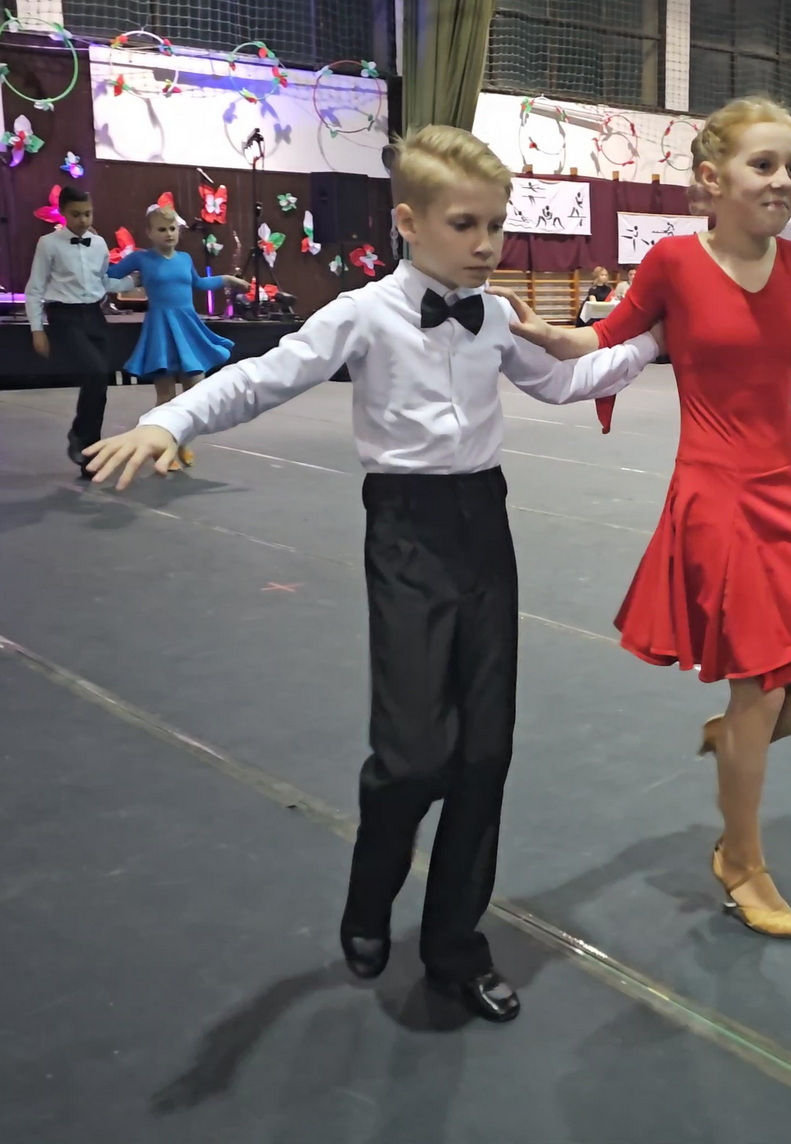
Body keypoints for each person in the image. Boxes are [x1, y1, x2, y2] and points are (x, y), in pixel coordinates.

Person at [83, 125, 659, 1022]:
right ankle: (369, 893)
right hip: (405, 533)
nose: (486, 244)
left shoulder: (494, 314)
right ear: (409, 222)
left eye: (496, 225)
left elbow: (560, 383)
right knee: (412, 754)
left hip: (486, 528)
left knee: (485, 752)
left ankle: (454, 948)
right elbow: (264, 376)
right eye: (465, 225)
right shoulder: (362, 313)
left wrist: (656, 338)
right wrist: (171, 421)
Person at [500, 96, 791, 940]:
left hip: (787, 491)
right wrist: (550, 336)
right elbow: (608, 336)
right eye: (764, 165)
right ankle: (741, 859)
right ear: (711, 180)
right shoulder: (674, 263)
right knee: (760, 684)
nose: (783, 180)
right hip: (713, 495)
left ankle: (732, 741)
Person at [106, 205, 250, 469]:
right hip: (161, 330)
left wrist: (228, 279)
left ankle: (182, 441)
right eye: (162, 229)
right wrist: (132, 282)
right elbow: (108, 274)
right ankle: (163, 449)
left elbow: (199, 283)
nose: (169, 233)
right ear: (150, 233)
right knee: (165, 396)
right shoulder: (141, 258)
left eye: (172, 228)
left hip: (187, 326)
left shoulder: (184, 258)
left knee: (193, 392)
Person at [24, 185, 140, 477]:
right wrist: (37, 329)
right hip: (64, 315)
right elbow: (34, 289)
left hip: (93, 315)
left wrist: (134, 282)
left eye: (88, 213)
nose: (83, 220)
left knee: (100, 383)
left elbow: (103, 282)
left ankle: (88, 449)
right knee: (95, 372)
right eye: (76, 214)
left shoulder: (98, 244)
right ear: (63, 213)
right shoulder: (48, 244)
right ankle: (81, 436)